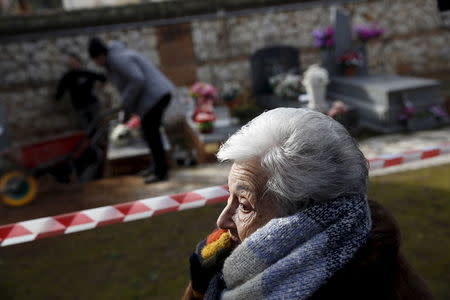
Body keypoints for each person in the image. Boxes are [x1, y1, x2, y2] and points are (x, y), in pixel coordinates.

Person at [183, 108, 432, 300]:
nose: (222, 221)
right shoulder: (214, 261)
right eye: (230, 196)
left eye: (245, 206)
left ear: (299, 225)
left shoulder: (359, 285)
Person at [88, 37, 175, 184]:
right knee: (149, 134)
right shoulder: (115, 58)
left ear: (99, 56)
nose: (96, 64)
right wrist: (127, 110)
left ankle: (161, 172)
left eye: (95, 60)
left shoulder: (117, 58)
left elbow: (136, 79)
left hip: (155, 96)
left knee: (152, 134)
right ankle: (156, 167)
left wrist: (126, 105)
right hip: (155, 96)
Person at [55, 53, 106, 134]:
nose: (73, 64)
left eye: (74, 62)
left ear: (79, 62)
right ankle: (92, 145)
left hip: (92, 104)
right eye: (71, 63)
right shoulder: (67, 77)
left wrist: (99, 86)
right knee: (87, 128)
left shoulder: (86, 73)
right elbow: (60, 91)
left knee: (97, 126)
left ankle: (101, 143)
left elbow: (102, 78)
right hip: (79, 107)